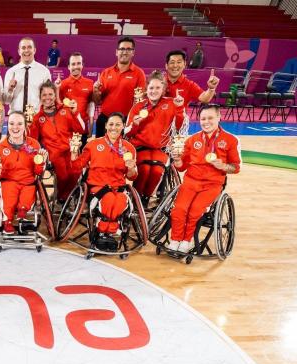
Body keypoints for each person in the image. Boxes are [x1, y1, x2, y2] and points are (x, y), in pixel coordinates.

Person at [169, 105, 240, 253]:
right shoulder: (192, 140)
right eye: (203, 118)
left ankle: (186, 241)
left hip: (212, 184)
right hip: (191, 181)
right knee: (179, 209)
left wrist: (223, 166)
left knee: (195, 211)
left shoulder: (231, 140)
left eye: (210, 118)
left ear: (219, 118)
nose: (206, 122)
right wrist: (177, 161)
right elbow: (182, 167)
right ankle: (176, 239)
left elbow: (235, 167)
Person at [69, 112, 138, 251]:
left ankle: (109, 232)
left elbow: (132, 177)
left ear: (123, 126)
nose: (114, 127)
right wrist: (74, 152)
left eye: (118, 124)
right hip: (97, 187)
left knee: (120, 201)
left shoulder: (129, 148)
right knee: (108, 200)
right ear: (106, 126)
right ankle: (103, 231)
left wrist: (131, 169)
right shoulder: (94, 144)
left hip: (118, 187)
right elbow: (76, 166)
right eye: (111, 124)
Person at [125, 70, 185, 206]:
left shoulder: (171, 103)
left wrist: (180, 108)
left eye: (158, 87)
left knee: (157, 171)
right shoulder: (138, 107)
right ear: (147, 89)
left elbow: (179, 126)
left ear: (163, 89)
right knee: (144, 170)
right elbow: (127, 132)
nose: (154, 91)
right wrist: (135, 123)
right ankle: (137, 196)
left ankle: (146, 198)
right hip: (140, 147)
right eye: (151, 88)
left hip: (160, 148)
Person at [0, 112, 48, 234]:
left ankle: (22, 213)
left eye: (19, 124)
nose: (15, 127)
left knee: (28, 195)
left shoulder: (34, 145)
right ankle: (8, 221)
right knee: (9, 196)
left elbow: (38, 172)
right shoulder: (0, 147)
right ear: (8, 125)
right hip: (8, 181)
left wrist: (40, 163)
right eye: (11, 123)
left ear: (25, 126)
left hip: (28, 182)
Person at [29, 80, 83, 202]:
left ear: (55, 95)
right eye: (44, 95)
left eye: (50, 94)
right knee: (63, 175)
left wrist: (75, 113)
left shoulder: (66, 110)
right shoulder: (37, 118)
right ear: (40, 97)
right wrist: (30, 125)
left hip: (70, 149)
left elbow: (80, 129)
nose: (47, 97)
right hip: (52, 152)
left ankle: (66, 195)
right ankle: (62, 198)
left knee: (76, 171)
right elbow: (33, 140)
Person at [94, 36, 146, 138]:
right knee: (100, 152)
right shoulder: (106, 72)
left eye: (128, 49)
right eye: (122, 49)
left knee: (122, 152)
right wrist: (96, 91)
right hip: (105, 120)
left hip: (125, 121)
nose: (125, 52)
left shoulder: (139, 73)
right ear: (117, 52)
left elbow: (140, 102)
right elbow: (97, 101)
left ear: (133, 52)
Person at [4, 37, 52, 115]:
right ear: (19, 51)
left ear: (34, 50)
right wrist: (10, 90)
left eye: (29, 47)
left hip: (36, 117)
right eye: (23, 48)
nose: (26, 50)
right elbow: (6, 101)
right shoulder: (11, 72)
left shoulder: (44, 71)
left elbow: (48, 99)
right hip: (16, 119)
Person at [56, 52, 93, 136]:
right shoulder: (62, 84)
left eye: (78, 63)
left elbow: (92, 107)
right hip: (66, 131)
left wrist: (90, 132)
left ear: (82, 65)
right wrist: (57, 89)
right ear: (69, 67)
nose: (76, 67)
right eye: (73, 64)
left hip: (83, 130)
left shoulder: (90, 83)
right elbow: (58, 105)